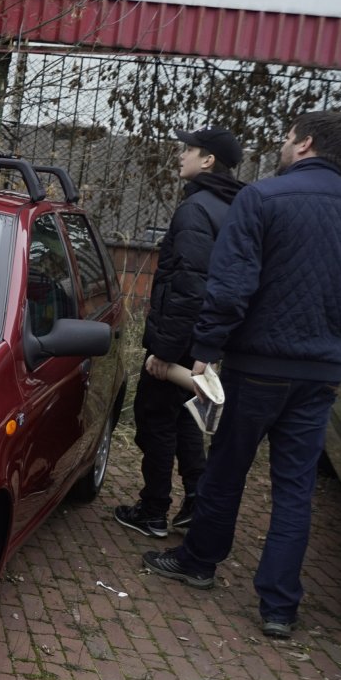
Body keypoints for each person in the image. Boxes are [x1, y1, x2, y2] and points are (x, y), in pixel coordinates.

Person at [141, 111, 341, 639]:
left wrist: (206, 347)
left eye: (286, 137)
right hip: (320, 374)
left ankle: (200, 562)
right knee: (295, 488)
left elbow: (231, 286)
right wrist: (340, 357)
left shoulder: (263, 199)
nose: (281, 144)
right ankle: (279, 606)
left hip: (258, 366)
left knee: (228, 468)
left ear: (305, 144)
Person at [114, 127, 245, 539]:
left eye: (188, 149)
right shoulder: (234, 207)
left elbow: (188, 284)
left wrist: (165, 351)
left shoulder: (196, 210)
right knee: (184, 415)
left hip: (180, 338)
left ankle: (153, 510)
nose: (180, 155)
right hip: (204, 337)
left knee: (153, 420)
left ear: (208, 160)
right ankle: (195, 500)